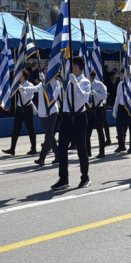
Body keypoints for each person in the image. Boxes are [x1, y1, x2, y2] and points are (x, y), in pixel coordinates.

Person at [52, 56, 92, 191]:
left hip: (80, 117)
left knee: (81, 148)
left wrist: (75, 84)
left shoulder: (85, 82)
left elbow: (83, 98)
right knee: (62, 147)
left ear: (77, 67)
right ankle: (64, 179)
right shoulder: (69, 82)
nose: (71, 68)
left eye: (73, 65)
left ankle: (85, 177)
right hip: (67, 118)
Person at [19, 73, 60, 167]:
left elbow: (54, 96)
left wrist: (45, 82)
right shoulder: (42, 84)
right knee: (50, 136)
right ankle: (58, 155)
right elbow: (35, 88)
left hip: (52, 112)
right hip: (43, 113)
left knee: (48, 136)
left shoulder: (56, 83)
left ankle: (42, 158)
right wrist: (24, 88)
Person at [3, 71, 38, 156]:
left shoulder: (30, 85)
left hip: (27, 108)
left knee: (30, 129)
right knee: (16, 129)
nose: (19, 78)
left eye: (21, 76)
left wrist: (22, 90)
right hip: (19, 109)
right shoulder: (19, 85)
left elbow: (26, 98)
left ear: (24, 77)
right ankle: (12, 149)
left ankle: (33, 148)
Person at [112, 70, 131, 153]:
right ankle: (121, 145)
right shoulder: (120, 84)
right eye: (121, 74)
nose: (121, 75)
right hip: (121, 107)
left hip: (130, 107)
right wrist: (115, 109)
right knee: (119, 127)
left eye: (122, 74)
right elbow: (117, 97)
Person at [87, 70, 108, 159]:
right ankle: (88, 152)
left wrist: (95, 93)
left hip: (98, 109)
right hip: (89, 110)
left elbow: (104, 96)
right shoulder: (85, 85)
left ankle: (102, 152)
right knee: (87, 133)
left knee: (100, 131)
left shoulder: (99, 85)